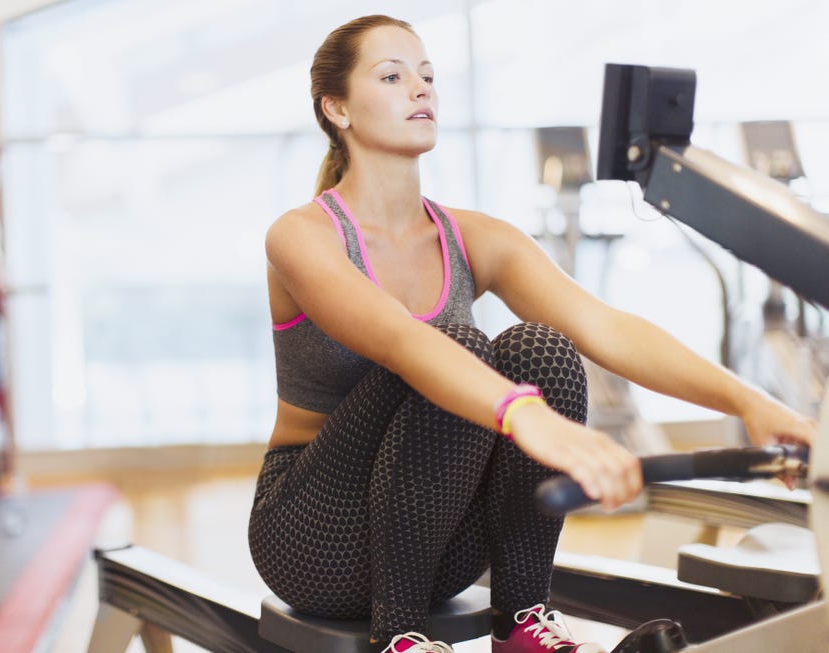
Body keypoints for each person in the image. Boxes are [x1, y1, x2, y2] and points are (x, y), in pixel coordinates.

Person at [247, 14, 815, 653]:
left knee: (540, 348)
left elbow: (607, 327)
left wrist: (753, 403)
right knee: (455, 345)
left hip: (436, 544)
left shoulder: (472, 237)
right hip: (314, 538)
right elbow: (403, 343)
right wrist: (526, 417)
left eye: (428, 76)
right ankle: (397, 638)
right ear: (337, 108)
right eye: (392, 75)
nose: (421, 89)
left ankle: (522, 625)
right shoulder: (302, 236)